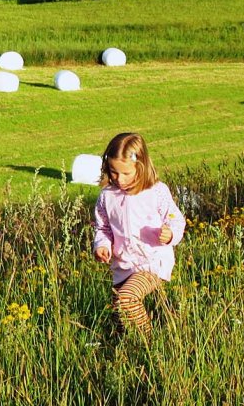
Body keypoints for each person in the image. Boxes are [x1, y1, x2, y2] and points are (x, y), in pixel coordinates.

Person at [93, 132, 186, 337]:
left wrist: (170, 234)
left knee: (127, 299)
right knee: (119, 314)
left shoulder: (156, 191)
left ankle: (149, 343)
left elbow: (176, 219)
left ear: (141, 166)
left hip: (152, 262)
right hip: (123, 264)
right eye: (114, 172)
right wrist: (102, 246)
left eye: (126, 173)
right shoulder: (107, 196)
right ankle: (123, 348)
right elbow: (103, 228)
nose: (119, 179)